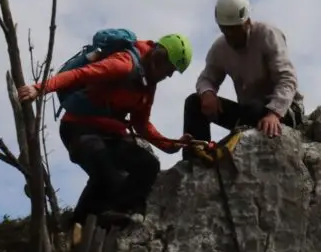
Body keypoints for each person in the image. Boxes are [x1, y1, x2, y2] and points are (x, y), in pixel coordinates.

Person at [18, 30, 193, 227]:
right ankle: (101, 217)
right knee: (107, 172)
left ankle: (98, 218)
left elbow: (141, 124)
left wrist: (172, 145)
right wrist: (38, 89)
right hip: (78, 128)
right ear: (159, 57)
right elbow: (78, 75)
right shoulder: (123, 65)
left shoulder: (147, 85)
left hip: (108, 135)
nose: (168, 75)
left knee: (148, 165)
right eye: (170, 69)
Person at [184, 0, 304, 151]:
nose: (231, 35)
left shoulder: (267, 35)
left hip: (285, 110)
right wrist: (207, 93)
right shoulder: (220, 48)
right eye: (226, 30)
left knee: (253, 108)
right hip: (248, 113)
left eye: (235, 28)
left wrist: (274, 113)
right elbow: (206, 79)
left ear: (247, 21)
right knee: (194, 102)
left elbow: (287, 78)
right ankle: (197, 158)